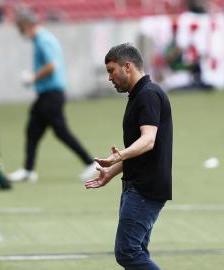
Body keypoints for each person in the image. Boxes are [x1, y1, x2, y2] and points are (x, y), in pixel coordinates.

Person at [85, 43, 173, 270]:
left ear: (127, 66)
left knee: (128, 252)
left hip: (145, 189)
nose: (109, 78)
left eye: (111, 70)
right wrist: (111, 172)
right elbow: (141, 149)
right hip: (137, 186)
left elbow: (148, 140)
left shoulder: (148, 94)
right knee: (136, 251)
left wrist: (118, 156)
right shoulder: (139, 95)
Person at [9, 9, 97, 182]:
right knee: (33, 130)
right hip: (46, 94)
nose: (20, 31)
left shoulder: (43, 40)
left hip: (52, 94)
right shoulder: (41, 39)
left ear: (27, 26)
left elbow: (51, 65)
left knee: (60, 131)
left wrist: (33, 77)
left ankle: (90, 162)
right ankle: (28, 170)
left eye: (20, 27)